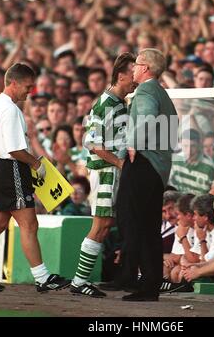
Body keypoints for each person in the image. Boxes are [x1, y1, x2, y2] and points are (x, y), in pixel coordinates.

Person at [0, 63, 70, 292]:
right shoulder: (11, 110)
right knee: (29, 223)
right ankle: (42, 278)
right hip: (11, 167)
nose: (30, 91)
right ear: (14, 82)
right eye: (27, 86)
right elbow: (14, 149)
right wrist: (36, 163)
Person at [69, 52, 137, 297]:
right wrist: (120, 164)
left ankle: (82, 280)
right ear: (120, 76)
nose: (136, 79)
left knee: (107, 224)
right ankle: (79, 281)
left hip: (110, 170)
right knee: (101, 223)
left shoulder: (120, 102)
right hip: (105, 171)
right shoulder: (106, 103)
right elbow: (95, 144)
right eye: (133, 74)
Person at [115, 48, 178, 301]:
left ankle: (138, 280)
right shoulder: (162, 93)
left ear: (147, 68)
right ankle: (145, 282)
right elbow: (169, 128)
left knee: (132, 220)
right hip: (157, 168)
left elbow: (149, 117)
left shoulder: (146, 90)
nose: (133, 68)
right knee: (148, 226)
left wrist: (133, 143)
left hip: (143, 163)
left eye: (138, 64)